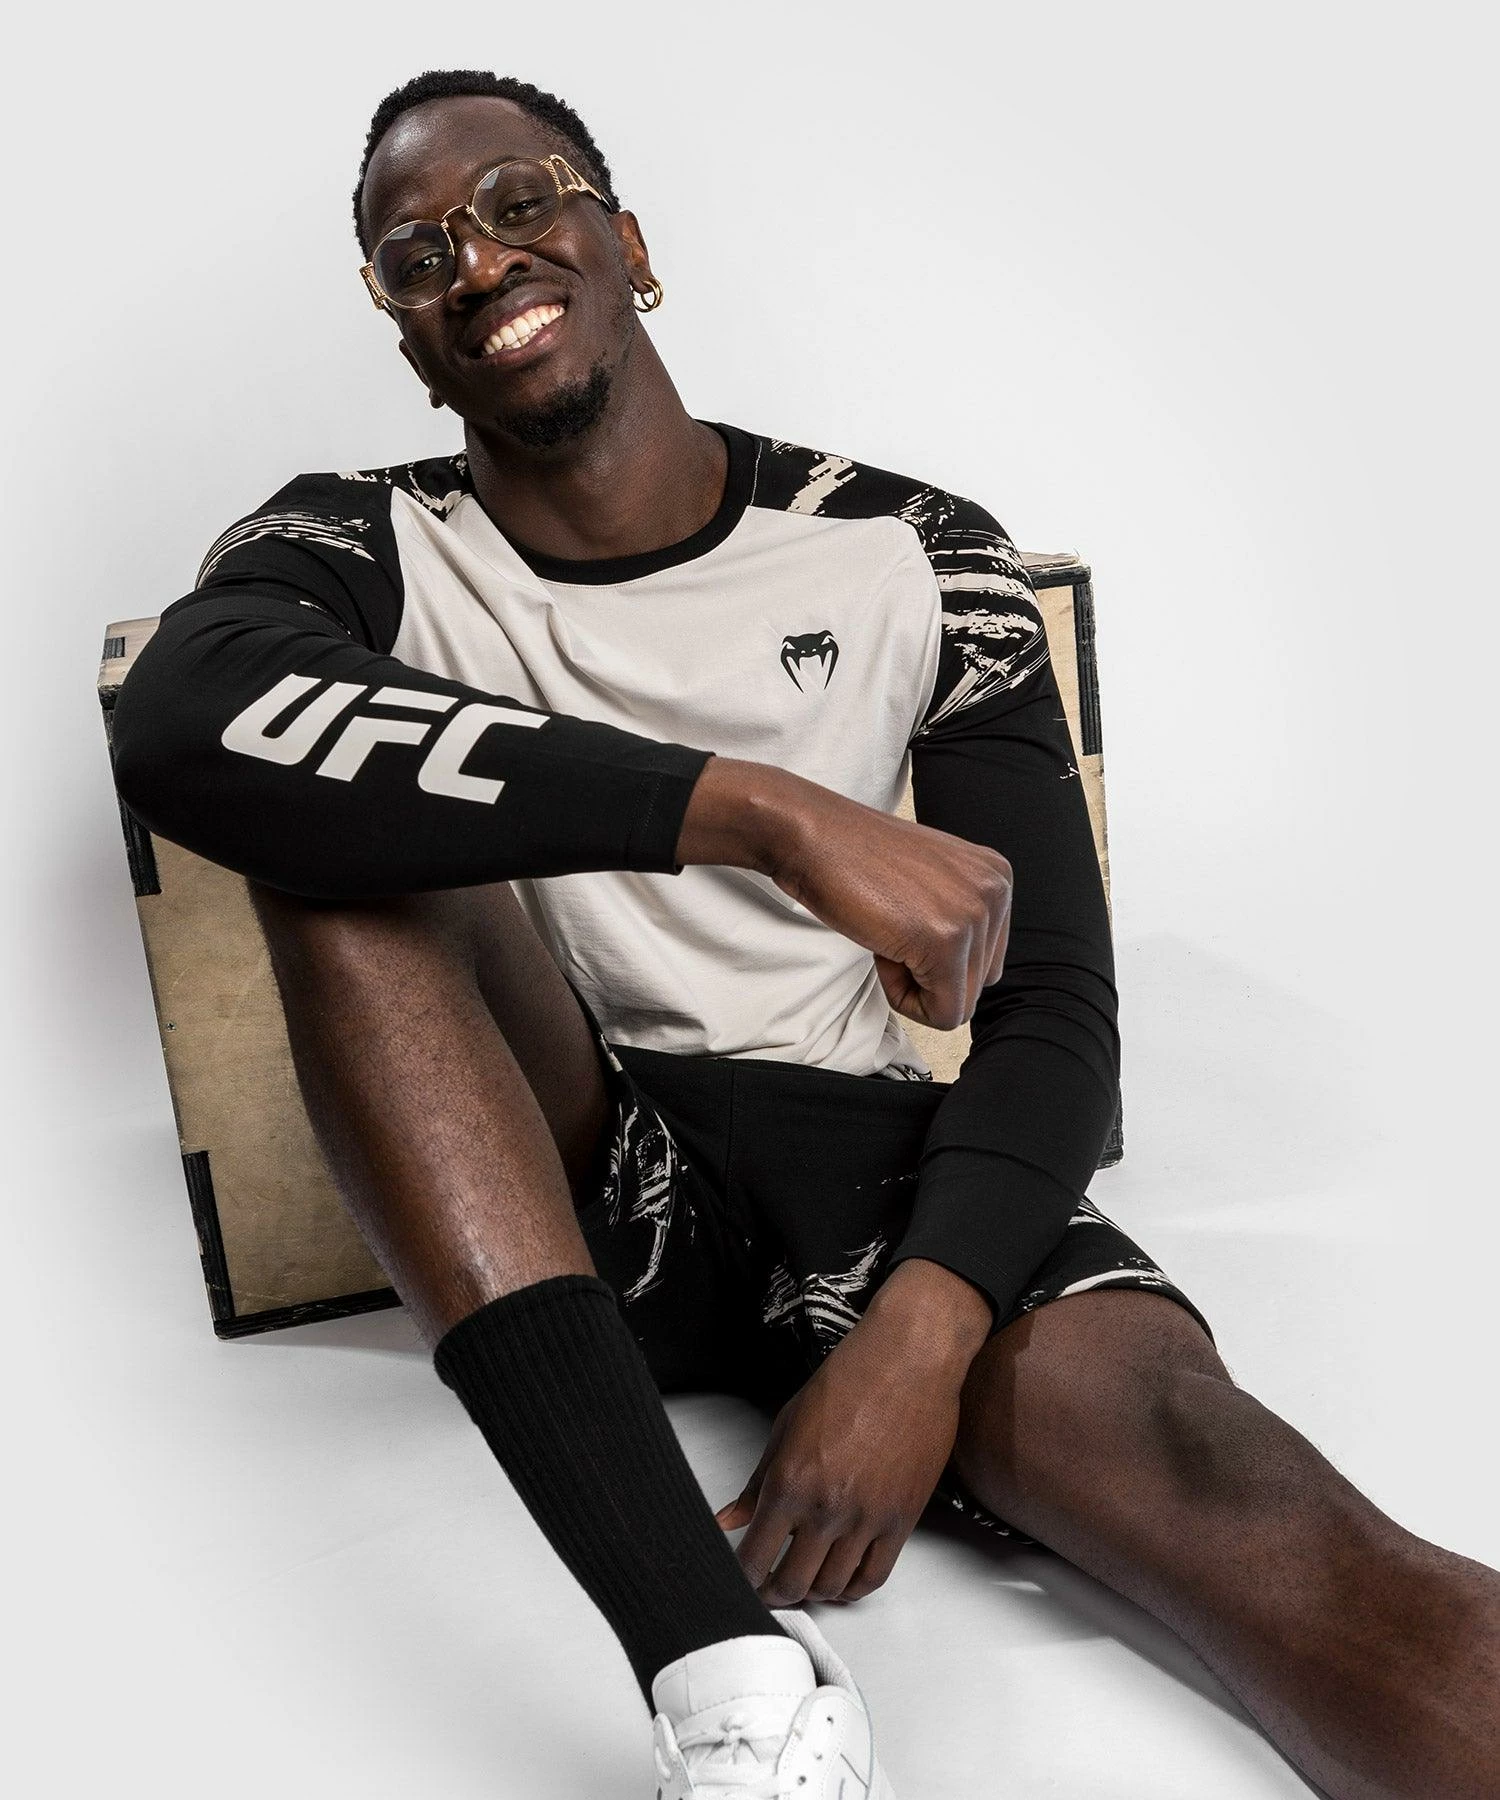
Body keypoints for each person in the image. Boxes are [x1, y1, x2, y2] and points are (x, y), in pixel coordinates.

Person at [111, 68, 1500, 1799]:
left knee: (1263, 1516)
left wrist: (921, 1336)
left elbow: (1055, 1009)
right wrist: (765, 811)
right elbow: (184, 720)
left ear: (629, 243)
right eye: (418, 254)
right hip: (567, 1164)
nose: (479, 261)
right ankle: (728, 1685)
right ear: (406, 333)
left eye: (523, 202)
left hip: (872, 1167)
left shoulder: (909, 551)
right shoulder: (359, 542)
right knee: (334, 849)